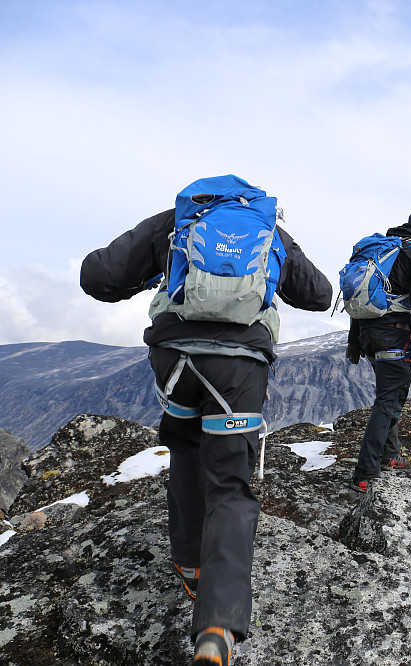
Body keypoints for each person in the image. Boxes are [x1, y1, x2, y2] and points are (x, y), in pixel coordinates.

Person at [79, 179, 332, 666]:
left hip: (173, 359)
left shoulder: (175, 221)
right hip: (238, 368)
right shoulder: (269, 228)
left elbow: (98, 278)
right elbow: (319, 295)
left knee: (186, 450)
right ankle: (217, 626)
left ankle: (189, 565)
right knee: (231, 486)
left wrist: (152, 267)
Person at [346, 209, 411, 493]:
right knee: (388, 400)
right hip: (394, 335)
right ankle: (365, 470)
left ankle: (390, 455)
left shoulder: (383, 251)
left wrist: (354, 341)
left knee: (394, 394)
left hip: (368, 334)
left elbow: (360, 297)